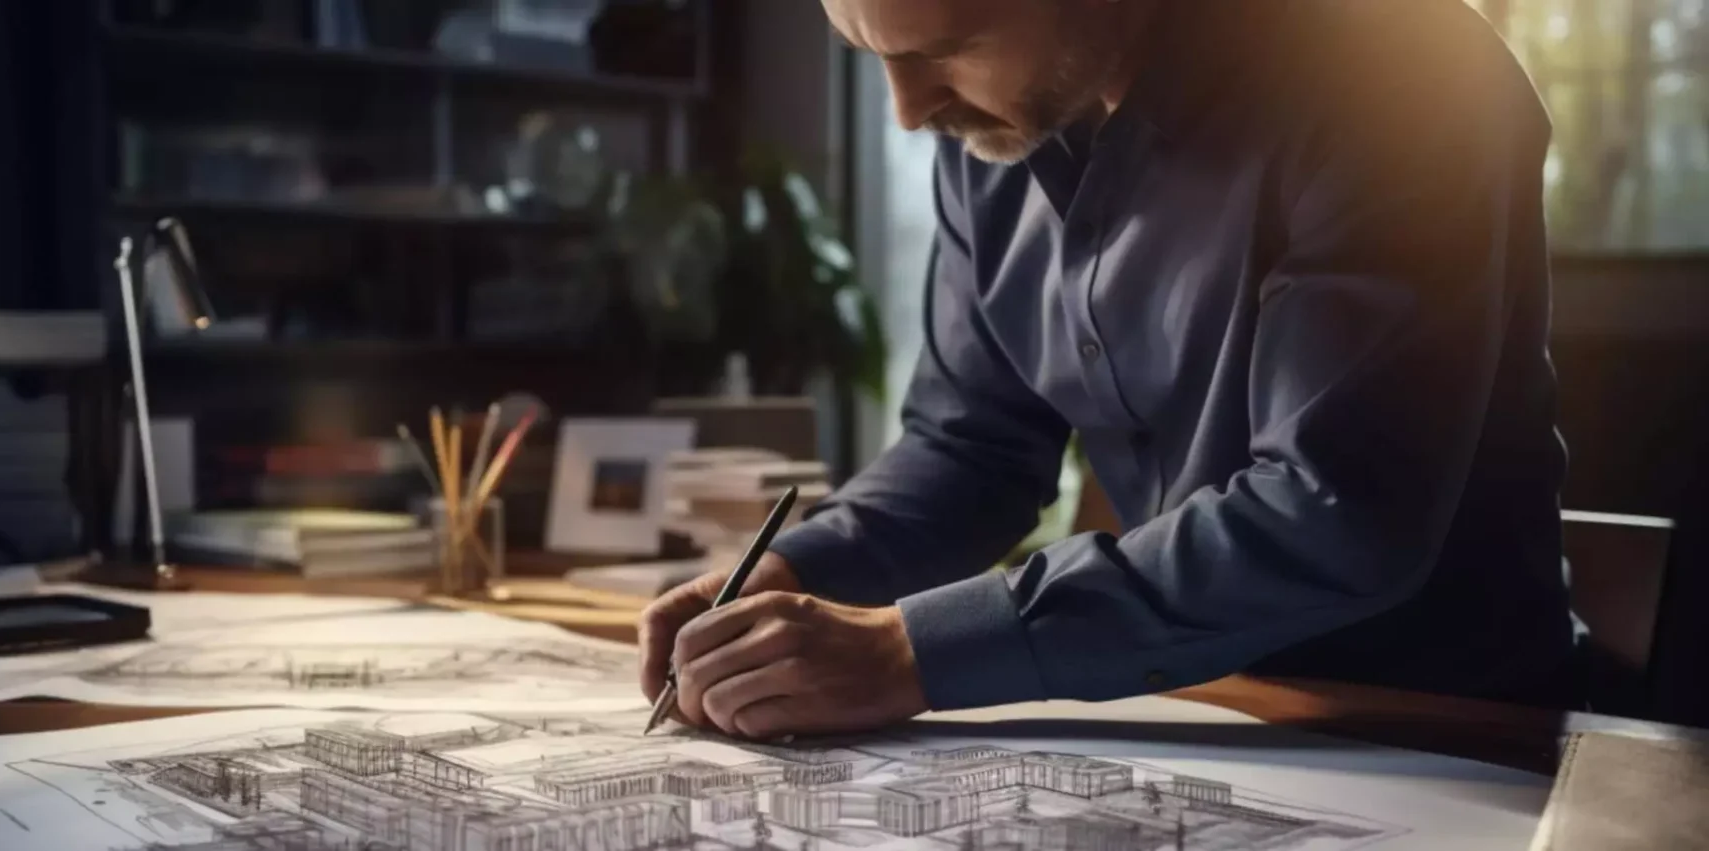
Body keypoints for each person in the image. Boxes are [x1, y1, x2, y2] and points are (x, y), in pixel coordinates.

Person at [641, 0, 1574, 740]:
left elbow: (1333, 515)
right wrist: (799, 569)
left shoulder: (1401, 73)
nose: (908, 110)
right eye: (866, 53)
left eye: (948, 46)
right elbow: (971, 451)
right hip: (1187, 712)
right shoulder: (993, 131)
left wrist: (910, 654)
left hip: (1454, 733)